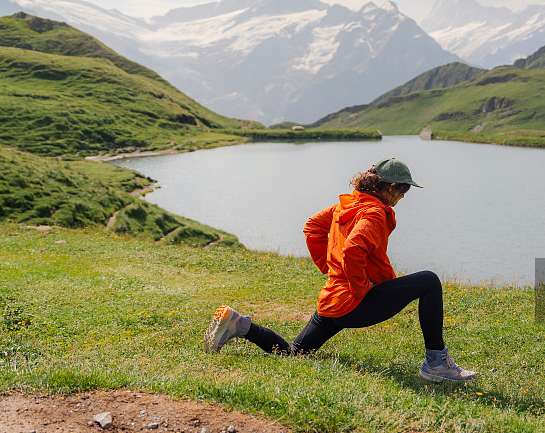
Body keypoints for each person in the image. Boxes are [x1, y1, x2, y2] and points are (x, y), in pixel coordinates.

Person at [203, 157, 477, 382]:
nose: (403, 197)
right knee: (429, 281)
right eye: (403, 190)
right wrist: (360, 288)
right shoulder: (374, 213)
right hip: (353, 301)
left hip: (332, 300)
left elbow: (312, 227)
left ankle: (239, 324)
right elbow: (354, 248)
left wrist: (330, 267)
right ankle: (436, 363)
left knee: (295, 353)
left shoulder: (348, 205)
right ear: (390, 187)